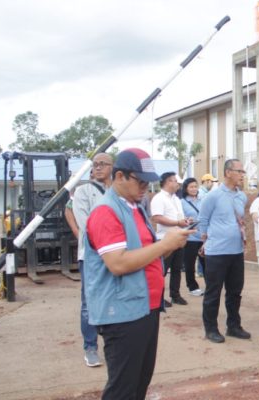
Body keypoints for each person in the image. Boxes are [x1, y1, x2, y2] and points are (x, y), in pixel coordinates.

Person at [84, 148, 192, 399]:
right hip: (122, 312)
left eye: (148, 182)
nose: (145, 187)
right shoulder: (105, 212)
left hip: (144, 307)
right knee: (123, 388)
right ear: (119, 176)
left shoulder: (135, 207)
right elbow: (118, 264)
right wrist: (165, 244)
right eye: (140, 181)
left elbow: (148, 255)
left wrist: (172, 244)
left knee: (139, 381)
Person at [67, 153, 113, 368]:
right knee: (89, 303)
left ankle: (113, 345)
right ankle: (90, 347)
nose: (98, 168)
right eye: (95, 165)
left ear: (113, 167)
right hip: (92, 256)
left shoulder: (118, 191)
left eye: (103, 164)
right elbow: (88, 225)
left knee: (114, 299)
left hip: (117, 255)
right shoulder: (83, 192)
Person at [198, 159, 251, 343]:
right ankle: (211, 329)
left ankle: (234, 326)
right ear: (228, 172)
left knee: (235, 291)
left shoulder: (241, 196)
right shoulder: (213, 196)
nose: (242, 174)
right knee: (213, 292)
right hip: (216, 253)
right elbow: (202, 221)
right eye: (239, 171)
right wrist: (206, 241)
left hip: (236, 252)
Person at [151, 172, 192, 307]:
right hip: (165, 239)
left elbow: (178, 217)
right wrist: (177, 223)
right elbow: (157, 218)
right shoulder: (159, 198)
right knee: (162, 270)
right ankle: (159, 297)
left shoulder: (175, 199)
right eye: (174, 181)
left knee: (176, 268)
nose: (177, 184)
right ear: (167, 182)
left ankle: (175, 295)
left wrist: (185, 221)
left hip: (178, 237)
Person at [180, 178, 205, 297]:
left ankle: (210, 285)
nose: (194, 189)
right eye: (191, 187)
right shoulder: (182, 202)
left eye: (195, 186)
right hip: (190, 238)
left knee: (207, 263)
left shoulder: (203, 200)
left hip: (204, 237)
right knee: (190, 264)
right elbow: (182, 220)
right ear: (186, 188)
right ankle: (192, 287)